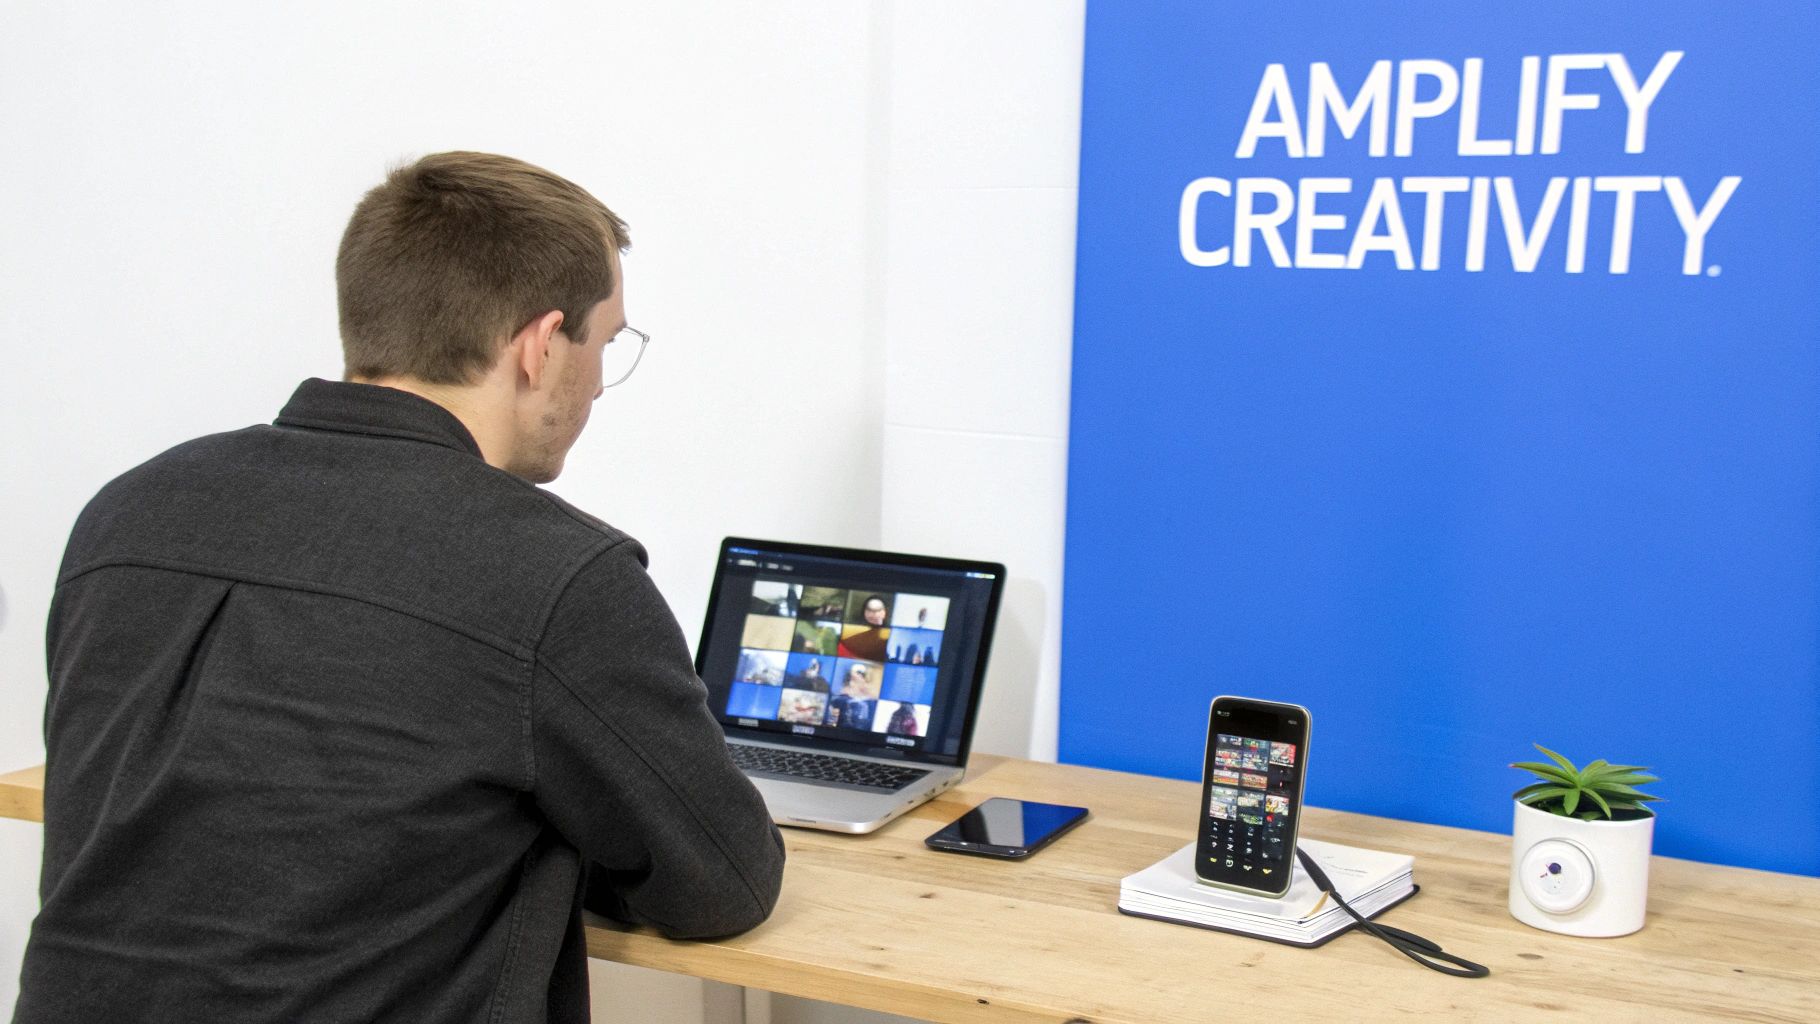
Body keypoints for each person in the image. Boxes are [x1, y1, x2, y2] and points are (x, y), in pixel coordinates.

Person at [15, 152, 785, 1024]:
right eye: (604, 344)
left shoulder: (126, 513)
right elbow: (723, 884)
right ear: (540, 345)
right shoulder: (554, 575)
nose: (601, 382)